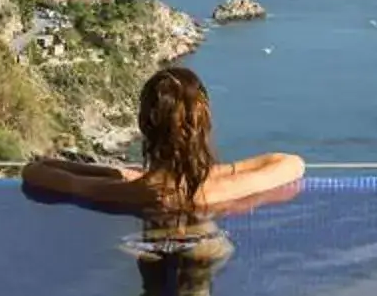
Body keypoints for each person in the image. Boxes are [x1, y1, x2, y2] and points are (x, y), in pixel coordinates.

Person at [20, 66, 305, 217]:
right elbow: (291, 164)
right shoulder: (216, 191)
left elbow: (34, 172)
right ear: (203, 125)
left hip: (145, 256)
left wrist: (118, 175)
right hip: (203, 262)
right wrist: (215, 172)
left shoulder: (123, 192)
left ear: (144, 125)